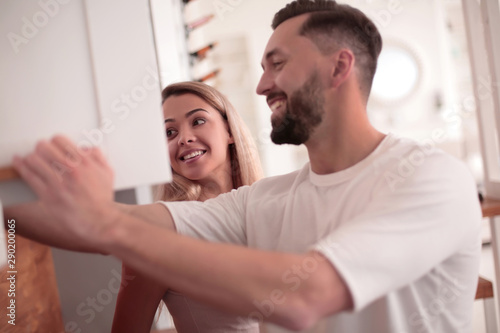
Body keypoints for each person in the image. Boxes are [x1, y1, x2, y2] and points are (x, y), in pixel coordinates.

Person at [8, 0, 482, 332]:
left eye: (277, 64)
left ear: (339, 68)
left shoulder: (431, 177)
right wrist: (9, 205)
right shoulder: (263, 201)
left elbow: (305, 296)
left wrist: (106, 224)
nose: (261, 85)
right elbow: (112, 224)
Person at [112, 81, 263, 332]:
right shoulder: (159, 233)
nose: (184, 138)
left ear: (229, 130)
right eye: (169, 133)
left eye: (198, 121)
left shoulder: (264, 206)